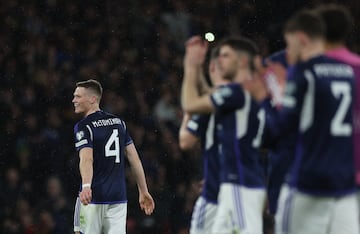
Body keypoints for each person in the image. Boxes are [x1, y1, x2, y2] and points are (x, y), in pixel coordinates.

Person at [245, 10, 359, 234]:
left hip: (308, 182)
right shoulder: (347, 72)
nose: (288, 52)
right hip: (344, 184)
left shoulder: (303, 73)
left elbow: (278, 131)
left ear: (301, 39)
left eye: (289, 44)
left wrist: (262, 101)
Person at [181, 36, 266, 234]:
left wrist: (191, 66)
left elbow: (191, 104)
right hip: (236, 182)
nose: (220, 60)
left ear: (242, 61)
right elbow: (211, 94)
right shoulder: (246, 93)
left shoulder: (236, 93)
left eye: (226, 55)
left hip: (240, 182)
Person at [72, 79, 155, 234]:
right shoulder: (119, 123)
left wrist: (86, 186)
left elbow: (86, 159)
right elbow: (134, 158)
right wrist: (143, 191)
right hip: (118, 197)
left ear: (92, 99)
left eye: (78, 96)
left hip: (93, 196)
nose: (74, 100)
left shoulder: (84, 126)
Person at [179, 46, 228, 234]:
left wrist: (187, 115)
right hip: (246, 188)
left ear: (213, 69)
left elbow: (185, 141)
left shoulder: (210, 104)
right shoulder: (245, 98)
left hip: (214, 194)